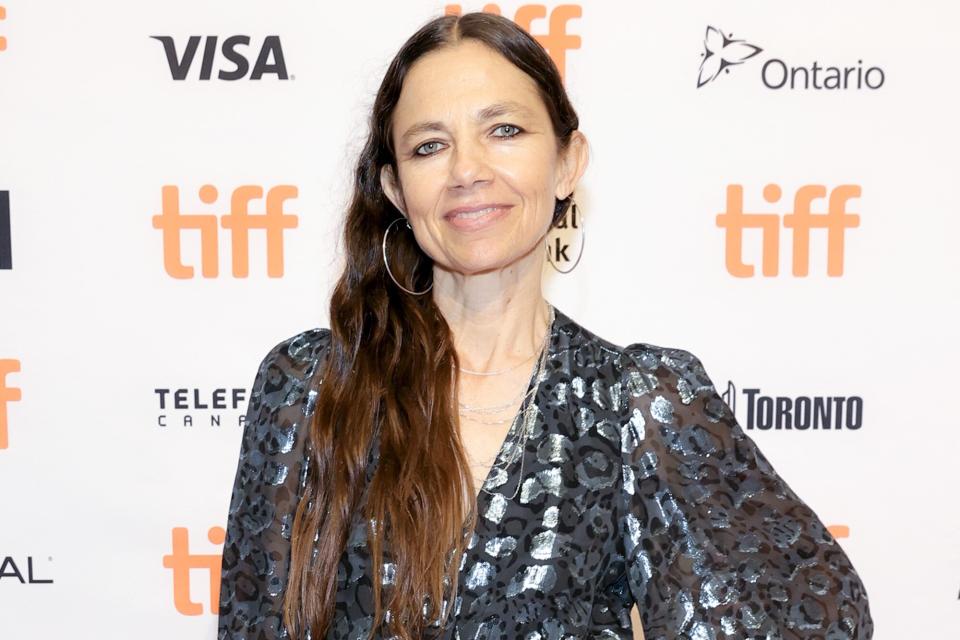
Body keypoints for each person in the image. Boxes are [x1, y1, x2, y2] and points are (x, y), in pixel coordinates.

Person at [217, 12, 873, 640]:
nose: (467, 170)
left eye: (504, 131)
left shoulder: (634, 400)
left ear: (567, 162)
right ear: (395, 188)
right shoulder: (309, 388)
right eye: (429, 146)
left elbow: (810, 612)